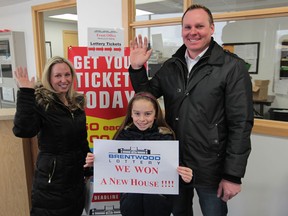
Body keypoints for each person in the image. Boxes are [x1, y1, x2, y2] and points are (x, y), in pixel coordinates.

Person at [128, 4, 254, 216]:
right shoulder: (172, 66)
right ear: (182, 30)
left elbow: (241, 124)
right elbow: (146, 96)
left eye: (199, 26)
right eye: (187, 27)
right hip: (175, 164)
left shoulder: (232, 68)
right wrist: (137, 69)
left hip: (211, 169)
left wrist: (232, 175)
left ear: (212, 28)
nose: (192, 32)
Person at [85, 92, 193, 216]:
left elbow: (176, 173)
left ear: (156, 114)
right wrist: (95, 164)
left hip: (159, 205)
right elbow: (109, 170)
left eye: (148, 114)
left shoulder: (166, 137)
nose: (142, 119)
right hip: (130, 205)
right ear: (131, 114)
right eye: (137, 114)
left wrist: (186, 178)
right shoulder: (122, 136)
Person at [13, 56, 92, 216]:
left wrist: (88, 168)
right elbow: (23, 130)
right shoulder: (41, 102)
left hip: (75, 179)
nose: (64, 80)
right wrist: (26, 92)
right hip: (52, 181)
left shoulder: (76, 102)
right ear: (49, 78)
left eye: (67, 74)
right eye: (58, 76)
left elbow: (81, 140)